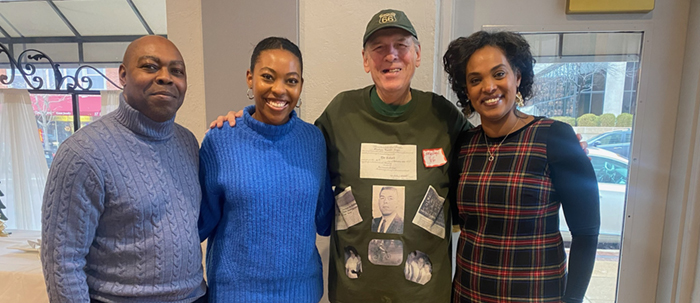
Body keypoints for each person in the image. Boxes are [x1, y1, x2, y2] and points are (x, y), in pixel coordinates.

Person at [210, 9, 466, 302]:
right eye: (379, 48)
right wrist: (243, 125)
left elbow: (480, 170)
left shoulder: (443, 117)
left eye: (401, 45)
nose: (391, 55)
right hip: (354, 292)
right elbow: (290, 149)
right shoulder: (342, 113)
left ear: (417, 54)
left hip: (424, 293)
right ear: (365, 60)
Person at [41, 36, 207, 302]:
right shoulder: (82, 152)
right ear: (123, 75)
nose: (165, 77)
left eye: (177, 71)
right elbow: (63, 261)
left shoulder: (188, 142)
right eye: (150, 67)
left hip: (195, 297)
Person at [443, 31, 600, 303]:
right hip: (469, 294)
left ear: (518, 76)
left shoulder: (555, 138)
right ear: (466, 90)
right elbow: (458, 218)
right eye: (475, 80)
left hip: (536, 295)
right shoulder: (464, 145)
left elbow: (586, 233)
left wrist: (573, 300)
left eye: (499, 74)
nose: (488, 86)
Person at [197, 37, 334, 303]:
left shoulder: (313, 140)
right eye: (268, 77)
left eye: (291, 80)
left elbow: (324, 219)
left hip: (302, 294)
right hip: (234, 295)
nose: (279, 90)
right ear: (250, 78)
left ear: (301, 85)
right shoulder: (220, 140)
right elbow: (199, 223)